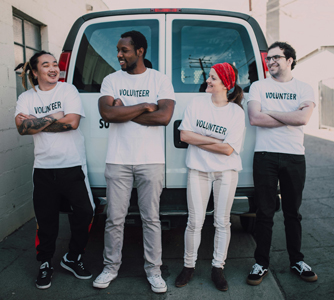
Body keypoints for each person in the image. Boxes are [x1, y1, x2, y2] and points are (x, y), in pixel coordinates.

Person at [92, 30, 175, 293]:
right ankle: (110, 267)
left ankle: (154, 271)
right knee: (114, 219)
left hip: (151, 161)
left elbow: (163, 118)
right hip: (118, 160)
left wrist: (123, 109)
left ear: (140, 51)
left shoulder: (160, 79)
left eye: (124, 50)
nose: (118, 55)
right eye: (118, 50)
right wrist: (143, 106)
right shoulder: (110, 79)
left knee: (151, 219)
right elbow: (106, 112)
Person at [14, 51, 95, 289]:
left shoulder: (67, 90)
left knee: (85, 213)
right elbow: (21, 128)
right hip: (43, 168)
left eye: (54, 64)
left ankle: (73, 257)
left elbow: (72, 122)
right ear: (35, 71)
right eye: (46, 65)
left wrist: (36, 122)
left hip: (72, 165)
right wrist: (55, 116)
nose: (53, 68)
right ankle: (45, 263)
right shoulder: (26, 97)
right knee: (46, 220)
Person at [246, 42, 318, 285]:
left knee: (292, 213)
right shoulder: (258, 86)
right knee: (264, 212)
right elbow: (255, 118)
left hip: (294, 156)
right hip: (265, 155)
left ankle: (297, 260)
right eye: (269, 58)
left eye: (277, 57)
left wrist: (272, 111)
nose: (271, 62)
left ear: (290, 60)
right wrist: (290, 115)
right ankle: (260, 263)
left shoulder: (304, 88)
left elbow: (303, 118)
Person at [175, 62, 245, 291]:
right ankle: (188, 266)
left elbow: (228, 151)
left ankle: (218, 268)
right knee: (194, 221)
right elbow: (185, 135)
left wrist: (201, 138)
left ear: (226, 84)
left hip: (226, 172)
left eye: (213, 78)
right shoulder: (197, 103)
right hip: (198, 170)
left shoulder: (236, 112)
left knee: (222, 222)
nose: (207, 80)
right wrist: (217, 142)